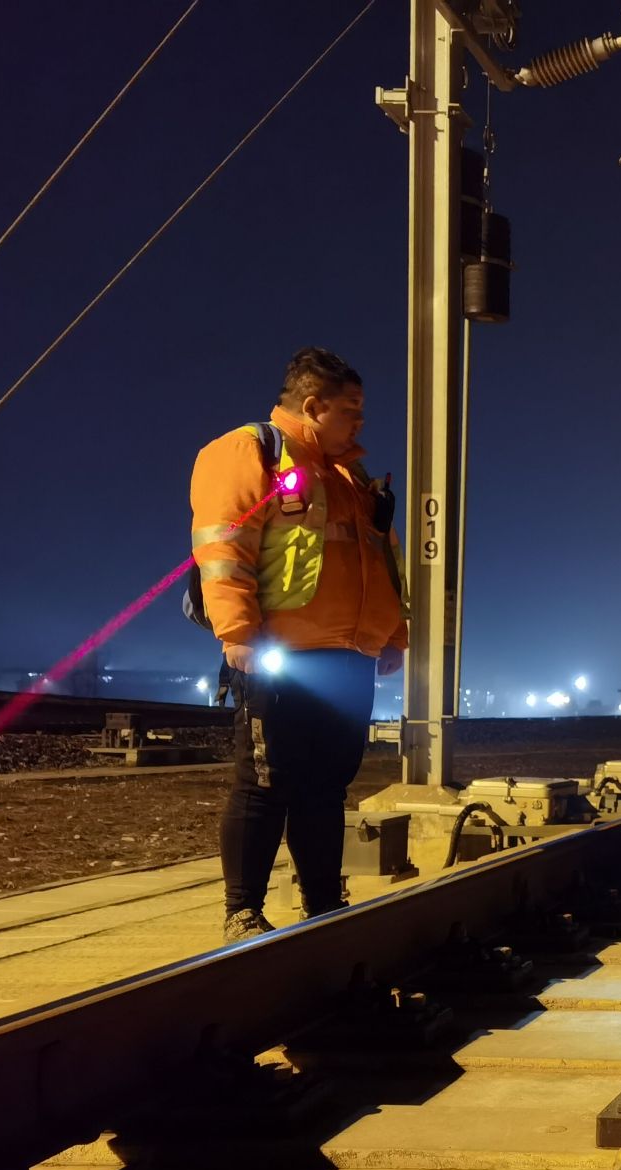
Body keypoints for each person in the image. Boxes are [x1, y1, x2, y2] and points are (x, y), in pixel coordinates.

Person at [190, 348, 408, 944]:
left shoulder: (350, 476)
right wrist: (237, 634)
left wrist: (394, 635)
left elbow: (382, 560)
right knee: (265, 784)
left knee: (325, 788)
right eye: (351, 412)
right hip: (279, 656)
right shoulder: (247, 453)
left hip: (349, 657)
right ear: (313, 406)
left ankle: (322, 903)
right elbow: (222, 548)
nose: (360, 425)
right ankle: (243, 912)